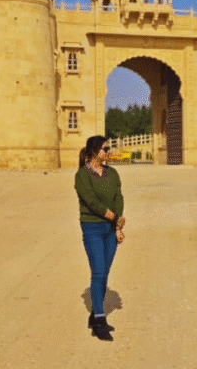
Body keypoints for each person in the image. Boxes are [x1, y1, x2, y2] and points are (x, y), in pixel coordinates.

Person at [75, 135, 126, 341]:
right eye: (105, 149)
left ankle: (94, 314)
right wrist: (114, 217)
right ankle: (100, 319)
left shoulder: (112, 173)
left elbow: (118, 198)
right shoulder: (82, 176)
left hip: (110, 229)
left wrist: (118, 226)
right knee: (98, 272)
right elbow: (91, 202)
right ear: (94, 151)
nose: (109, 152)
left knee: (104, 273)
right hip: (92, 228)